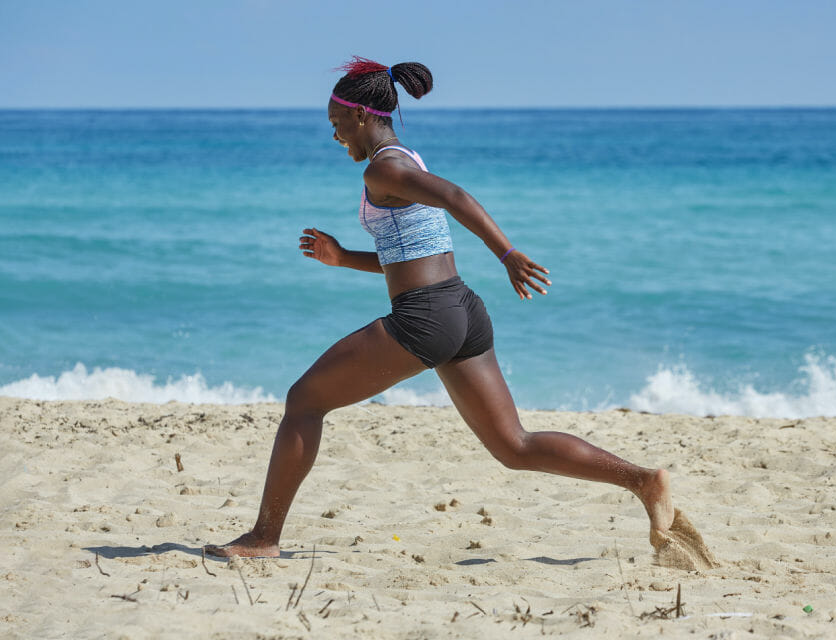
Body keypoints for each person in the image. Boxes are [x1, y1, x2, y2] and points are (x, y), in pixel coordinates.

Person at [204, 57, 673, 558]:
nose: (336, 136)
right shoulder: (406, 159)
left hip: (426, 316)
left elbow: (454, 195)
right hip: (461, 309)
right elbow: (409, 256)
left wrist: (508, 255)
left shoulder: (385, 166)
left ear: (362, 116)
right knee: (514, 445)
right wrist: (341, 258)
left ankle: (264, 538)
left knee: (303, 401)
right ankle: (644, 482)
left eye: (337, 125)